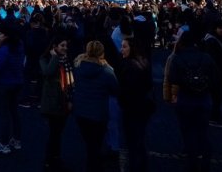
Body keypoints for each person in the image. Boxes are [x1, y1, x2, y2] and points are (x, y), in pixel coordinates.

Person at [168, 31, 216, 172]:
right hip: (204, 99)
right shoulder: (206, 57)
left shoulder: (177, 58)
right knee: (203, 132)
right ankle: (205, 163)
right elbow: (215, 78)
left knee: (188, 133)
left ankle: (192, 163)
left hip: (185, 98)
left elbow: (173, 78)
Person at [73, 40, 118, 172]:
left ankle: (92, 165)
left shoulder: (78, 66)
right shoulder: (107, 71)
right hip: (98, 114)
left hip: (81, 111)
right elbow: (116, 89)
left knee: (89, 143)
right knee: (96, 144)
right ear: (102, 53)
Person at [116, 38, 154, 172]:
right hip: (143, 107)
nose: (122, 50)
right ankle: (141, 166)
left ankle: (135, 167)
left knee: (132, 142)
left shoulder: (129, 66)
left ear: (132, 48)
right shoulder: (143, 61)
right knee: (139, 140)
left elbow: (124, 89)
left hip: (132, 108)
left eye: (124, 47)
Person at [39, 35, 74, 172]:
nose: (65, 48)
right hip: (53, 101)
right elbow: (47, 72)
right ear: (54, 47)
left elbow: (71, 80)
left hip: (64, 99)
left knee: (58, 132)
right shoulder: (45, 58)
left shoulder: (66, 60)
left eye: (66, 46)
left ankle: (55, 157)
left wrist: (71, 98)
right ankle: (50, 159)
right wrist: (54, 57)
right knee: (54, 132)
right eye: (62, 46)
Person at [0, 24, 25, 154]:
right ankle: (16, 139)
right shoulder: (19, 45)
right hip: (18, 81)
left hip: (5, 82)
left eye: (0, 34)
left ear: (5, 35)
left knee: (4, 114)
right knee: (15, 112)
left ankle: (4, 143)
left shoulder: (4, 49)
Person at [202, 20, 222, 127]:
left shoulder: (217, 38)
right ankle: (214, 117)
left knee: (217, 97)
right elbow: (214, 60)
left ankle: (216, 115)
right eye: (220, 28)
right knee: (216, 96)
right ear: (215, 29)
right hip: (217, 74)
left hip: (221, 73)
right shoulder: (211, 40)